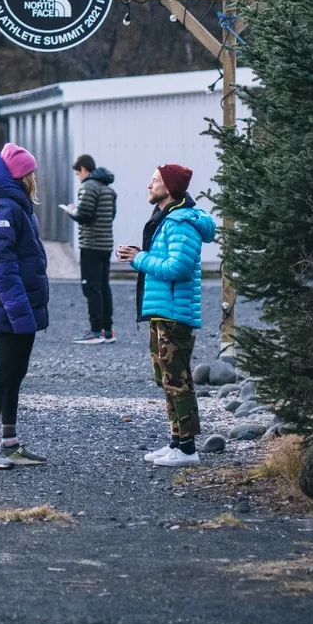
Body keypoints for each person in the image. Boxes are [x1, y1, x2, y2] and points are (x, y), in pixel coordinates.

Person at [115, 162, 215, 466]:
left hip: (174, 313)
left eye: (155, 181)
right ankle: (176, 442)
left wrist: (139, 259)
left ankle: (187, 449)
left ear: (169, 189)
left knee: (178, 379)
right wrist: (140, 255)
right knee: (165, 378)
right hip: (162, 310)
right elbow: (168, 260)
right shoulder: (167, 219)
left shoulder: (180, 223)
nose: (149, 185)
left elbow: (179, 268)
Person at [0, 143, 50, 469]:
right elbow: (0, 266)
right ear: (21, 176)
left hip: (21, 306)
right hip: (11, 308)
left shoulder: (16, 207)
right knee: (3, 372)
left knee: (16, 372)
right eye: (30, 172)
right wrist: (19, 311)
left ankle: (11, 442)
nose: (34, 177)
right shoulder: (4, 209)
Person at [65, 154, 117, 343]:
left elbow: (85, 216)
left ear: (84, 170)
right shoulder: (108, 189)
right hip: (106, 245)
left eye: (78, 173)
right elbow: (111, 216)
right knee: (104, 288)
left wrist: (71, 211)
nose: (78, 177)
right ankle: (108, 331)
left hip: (91, 245)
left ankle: (95, 332)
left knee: (91, 288)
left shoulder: (88, 187)